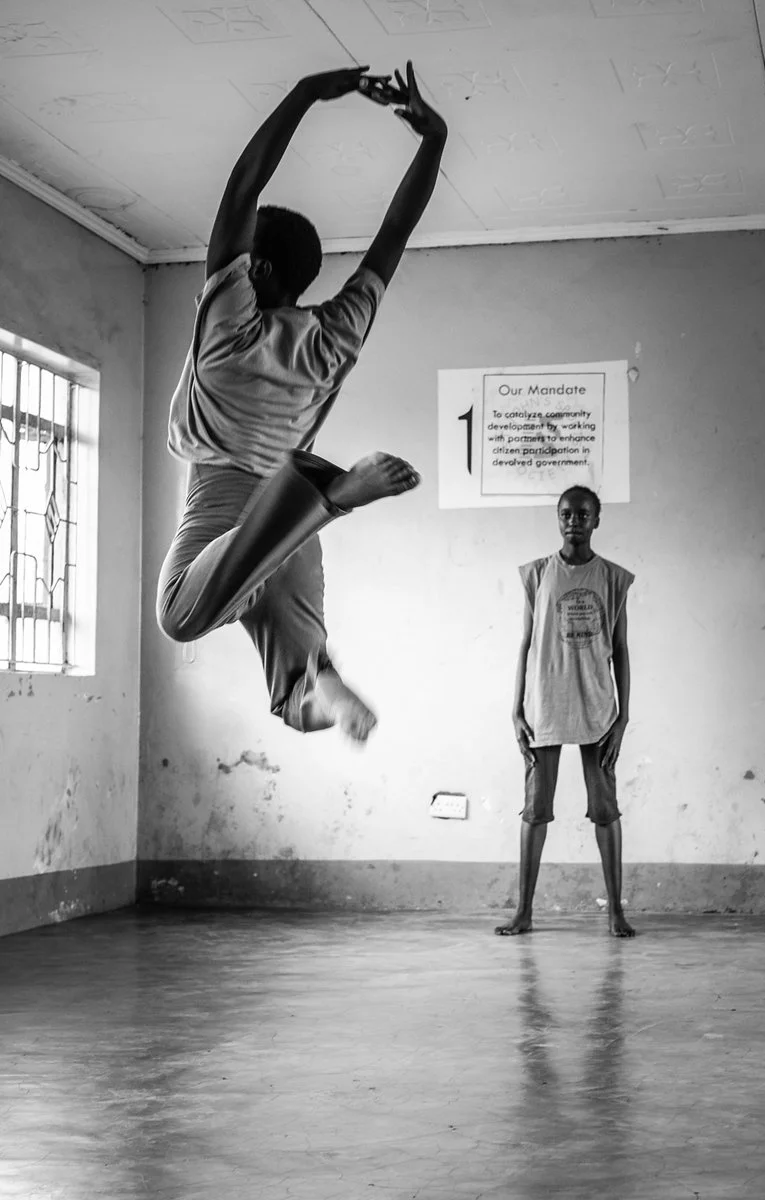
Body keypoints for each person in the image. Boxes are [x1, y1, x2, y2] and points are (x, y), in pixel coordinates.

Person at [156, 62, 447, 743]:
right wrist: (431, 143)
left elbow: (242, 186)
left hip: (228, 519)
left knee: (178, 615)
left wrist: (305, 92)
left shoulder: (228, 329)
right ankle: (325, 676)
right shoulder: (331, 337)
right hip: (289, 528)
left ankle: (338, 496)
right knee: (301, 697)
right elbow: (394, 234)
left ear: (252, 268)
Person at [495, 485, 636, 937]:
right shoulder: (537, 574)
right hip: (545, 709)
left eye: (582, 513)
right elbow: (524, 644)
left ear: (597, 520)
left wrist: (623, 718)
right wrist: (516, 709)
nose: (573, 520)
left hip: (598, 709)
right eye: (565, 513)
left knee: (605, 810)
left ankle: (615, 910)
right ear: (558, 519)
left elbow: (621, 649)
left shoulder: (613, 579)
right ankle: (524, 912)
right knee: (535, 810)